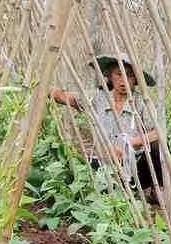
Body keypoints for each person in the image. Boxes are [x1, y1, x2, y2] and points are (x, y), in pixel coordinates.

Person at [50, 55, 164, 205]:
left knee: (158, 147)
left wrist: (130, 144)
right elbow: (67, 97)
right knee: (92, 183)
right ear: (109, 75)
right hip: (103, 167)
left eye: (130, 76)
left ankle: (157, 189)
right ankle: (111, 190)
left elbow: (158, 132)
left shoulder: (141, 103)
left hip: (134, 168)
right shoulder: (98, 99)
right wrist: (48, 90)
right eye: (119, 74)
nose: (124, 80)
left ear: (136, 79)